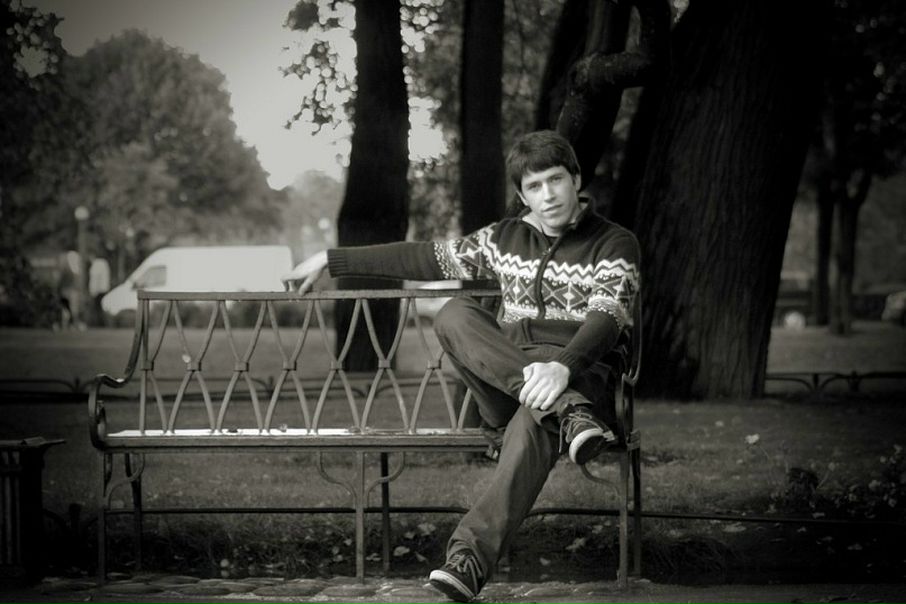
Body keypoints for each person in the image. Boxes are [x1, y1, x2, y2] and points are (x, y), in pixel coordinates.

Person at [282, 130, 640, 602]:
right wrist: (332, 261)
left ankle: (468, 558)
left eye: (556, 180)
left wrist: (563, 369)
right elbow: (422, 257)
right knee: (454, 312)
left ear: (575, 179)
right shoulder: (503, 239)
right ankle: (565, 410)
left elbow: (607, 319)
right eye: (534, 186)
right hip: (511, 383)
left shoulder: (614, 243)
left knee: (534, 417)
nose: (548, 195)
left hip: (583, 377)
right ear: (522, 196)